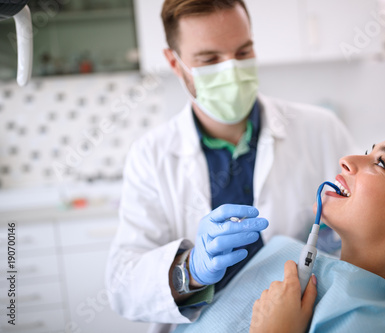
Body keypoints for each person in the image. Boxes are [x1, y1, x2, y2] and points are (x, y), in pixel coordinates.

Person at [105, 0, 358, 331]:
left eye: (243, 53)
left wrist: (339, 236)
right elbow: (123, 286)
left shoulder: (320, 128)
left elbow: (374, 229)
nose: (231, 70)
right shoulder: (151, 156)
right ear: (174, 62)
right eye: (209, 59)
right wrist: (190, 270)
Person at [167, 132, 385, 333]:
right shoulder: (286, 251)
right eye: (370, 150)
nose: (347, 160)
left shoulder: (374, 323)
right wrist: (191, 275)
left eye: (381, 163)